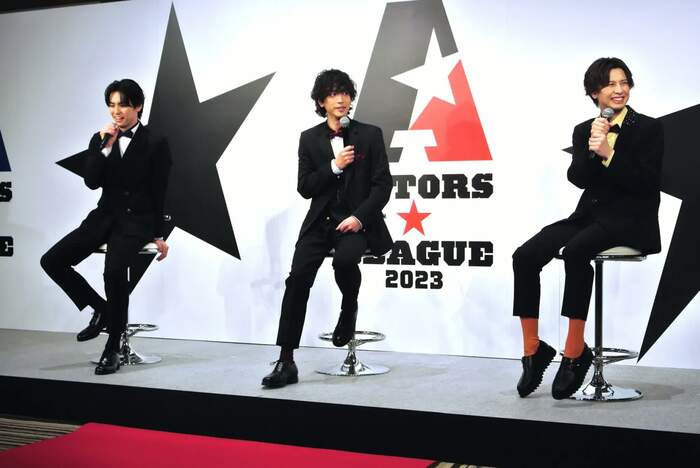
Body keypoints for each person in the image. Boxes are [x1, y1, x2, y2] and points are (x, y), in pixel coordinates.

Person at [512, 58, 663, 399]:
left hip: (630, 219)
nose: (619, 90)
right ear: (595, 92)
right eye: (610, 84)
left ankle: (574, 350)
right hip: (590, 216)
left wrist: (610, 153)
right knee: (525, 256)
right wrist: (594, 146)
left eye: (624, 82)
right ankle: (533, 350)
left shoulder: (649, 128)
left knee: (576, 251)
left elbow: (647, 182)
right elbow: (578, 178)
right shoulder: (586, 129)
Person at [262, 69, 393, 388]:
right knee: (297, 280)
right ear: (321, 101)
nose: (341, 99)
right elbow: (305, 187)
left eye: (345, 92)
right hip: (320, 223)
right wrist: (334, 166)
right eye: (334, 93)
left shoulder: (370, 134)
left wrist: (359, 217)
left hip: (355, 223)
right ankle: (286, 360)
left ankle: (349, 307)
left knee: (344, 261)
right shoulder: (309, 138)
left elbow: (383, 185)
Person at [40, 79, 172, 375]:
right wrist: (105, 145)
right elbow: (91, 182)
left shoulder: (155, 142)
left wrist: (159, 234)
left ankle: (112, 347)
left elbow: (160, 191)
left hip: (136, 220)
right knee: (52, 260)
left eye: (123, 104)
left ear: (138, 106)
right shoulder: (101, 139)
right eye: (111, 105)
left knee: (113, 271)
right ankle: (102, 310)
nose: (117, 111)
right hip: (103, 217)